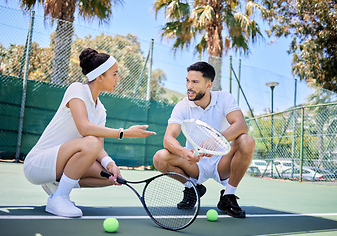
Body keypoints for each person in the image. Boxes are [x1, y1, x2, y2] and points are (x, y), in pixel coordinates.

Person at [24, 48, 156, 218]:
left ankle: (58, 185)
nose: (118, 79)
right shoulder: (77, 89)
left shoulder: (101, 110)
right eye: (114, 74)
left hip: (58, 165)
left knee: (108, 176)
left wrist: (110, 164)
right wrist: (124, 133)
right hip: (37, 164)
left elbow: (98, 148)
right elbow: (84, 128)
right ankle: (59, 197)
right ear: (100, 77)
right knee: (91, 142)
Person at [153, 61, 255, 218]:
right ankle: (193, 189)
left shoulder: (224, 98)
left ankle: (228, 196)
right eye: (187, 80)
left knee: (247, 140)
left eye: (195, 82)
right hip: (195, 164)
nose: (189, 86)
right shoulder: (182, 106)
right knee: (160, 157)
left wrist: (215, 141)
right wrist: (184, 152)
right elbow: (168, 138)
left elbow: (241, 125)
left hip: (222, 162)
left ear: (209, 84)